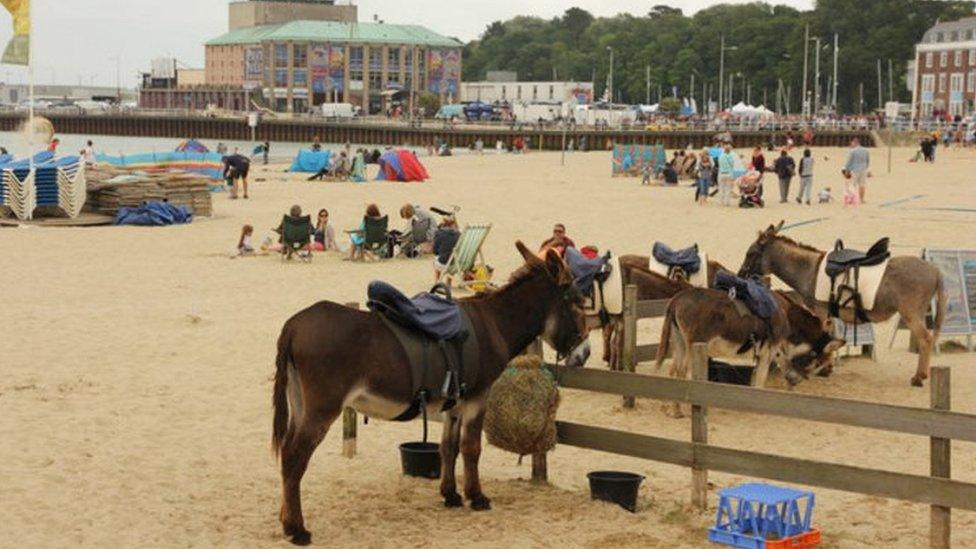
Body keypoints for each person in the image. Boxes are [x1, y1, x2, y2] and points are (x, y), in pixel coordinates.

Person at [432, 216, 461, 283]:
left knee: (437, 259)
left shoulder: (439, 233)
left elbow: (435, 251)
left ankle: (437, 281)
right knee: (452, 256)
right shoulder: (459, 234)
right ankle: (449, 281)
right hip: (458, 264)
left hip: (444, 263)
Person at [843, 137, 870, 204]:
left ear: (855, 143)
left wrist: (846, 170)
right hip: (863, 169)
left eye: (852, 143)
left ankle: (851, 199)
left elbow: (849, 161)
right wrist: (866, 167)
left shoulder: (852, 151)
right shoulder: (866, 150)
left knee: (852, 185)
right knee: (862, 185)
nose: (851, 144)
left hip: (855, 170)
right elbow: (867, 161)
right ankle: (862, 199)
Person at [717, 142, 736, 207]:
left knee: (721, 188)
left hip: (722, 173)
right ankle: (727, 203)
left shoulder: (721, 156)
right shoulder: (730, 156)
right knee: (728, 189)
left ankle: (721, 202)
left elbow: (719, 164)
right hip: (729, 173)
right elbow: (732, 164)